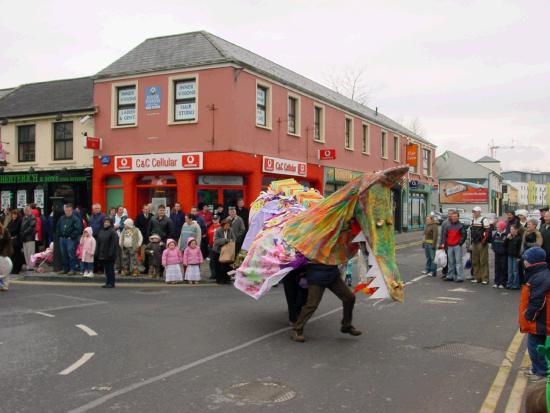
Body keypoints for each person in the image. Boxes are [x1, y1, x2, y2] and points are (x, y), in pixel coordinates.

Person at [291, 263, 361, 342]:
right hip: (316, 275)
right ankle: (296, 330)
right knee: (312, 305)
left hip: (332, 274)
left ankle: (346, 326)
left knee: (349, 298)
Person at [518, 247, 550, 382]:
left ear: (532, 262)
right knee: (538, 344)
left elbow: (538, 300)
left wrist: (529, 315)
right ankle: (537, 368)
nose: (524, 262)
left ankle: (541, 372)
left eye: (526, 259)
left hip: (540, 320)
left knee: (534, 345)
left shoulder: (539, 277)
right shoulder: (541, 274)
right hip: (542, 319)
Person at [440, 211, 467, 282]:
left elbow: (464, 235)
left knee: (458, 262)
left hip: (457, 246)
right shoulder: (448, 225)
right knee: (450, 261)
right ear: (451, 217)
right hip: (449, 246)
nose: (454, 218)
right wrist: (443, 243)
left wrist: (459, 243)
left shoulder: (461, 225)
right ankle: (450, 276)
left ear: (458, 217)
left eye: (455, 217)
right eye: (453, 217)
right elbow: (445, 235)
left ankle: (460, 277)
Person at [57, 204, 82, 275]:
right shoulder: (61, 218)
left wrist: (71, 236)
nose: (67, 212)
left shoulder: (75, 219)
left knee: (71, 254)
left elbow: (78, 229)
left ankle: (72, 269)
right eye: (66, 210)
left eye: (69, 210)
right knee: (63, 254)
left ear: (72, 211)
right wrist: (59, 235)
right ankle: (65, 269)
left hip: (71, 239)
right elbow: (58, 227)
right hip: (62, 239)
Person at [95, 217, 118, 288]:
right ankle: (108, 282)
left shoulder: (113, 232)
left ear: (110, 223)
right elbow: (98, 242)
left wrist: (111, 253)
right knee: (106, 269)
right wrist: (97, 252)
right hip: (103, 253)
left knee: (110, 269)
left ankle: (111, 283)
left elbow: (114, 244)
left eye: (108, 222)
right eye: (105, 222)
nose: (106, 223)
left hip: (110, 254)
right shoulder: (101, 231)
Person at [470, 206, 490, 284]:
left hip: (481, 243)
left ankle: (485, 278)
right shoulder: (472, 220)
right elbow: (471, 232)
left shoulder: (484, 220)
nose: (474, 213)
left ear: (479, 212)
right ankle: (477, 277)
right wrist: (471, 242)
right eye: (473, 212)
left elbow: (487, 231)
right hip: (474, 242)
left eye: (475, 212)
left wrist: (483, 241)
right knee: (475, 261)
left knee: (483, 261)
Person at [212, 218, 236, 284]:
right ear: (223, 225)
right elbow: (216, 241)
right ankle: (219, 279)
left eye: (229, 225)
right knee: (218, 266)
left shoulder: (230, 230)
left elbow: (234, 239)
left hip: (227, 251)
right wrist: (225, 240)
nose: (228, 227)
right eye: (227, 225)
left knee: (227, 265)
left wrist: (231, 241)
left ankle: (227, 279)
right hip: (218, 251)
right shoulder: (218, 230)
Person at [135, 204, 153, 274]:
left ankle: (148, 268)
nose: (146, 210)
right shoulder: (139, 216)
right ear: (143, 210)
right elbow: (136, 227)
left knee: (149, 253)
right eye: (145, 209)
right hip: (141, 238)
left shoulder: (152, 216)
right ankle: (143, 268)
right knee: (142, 254)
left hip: (149, 238)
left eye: (147, 209)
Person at [89, 203, 105, 273]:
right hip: (93, 237)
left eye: (98, 208)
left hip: (100, 237)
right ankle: (95, 268)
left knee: (100, 253)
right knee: (94, 253)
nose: (97, 209)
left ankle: (101, 269)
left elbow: (104, 226)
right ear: (93, 209)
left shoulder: (103, 216)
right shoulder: (91, 217)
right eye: (95, 208)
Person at [491, 220, 508, 289]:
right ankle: (496, 282)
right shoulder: (496, 234)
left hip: (504, 254)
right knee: (497, 268)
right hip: (497, 253)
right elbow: (493, 243)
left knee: (503, 268)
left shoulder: (506, 235)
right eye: (497, 227)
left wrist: (504, 251)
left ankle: (502, 283)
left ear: (502, 227)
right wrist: (494, 249)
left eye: (498, 227)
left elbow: (507, 245)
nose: (497, 228)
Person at [505, 224, 522, 290]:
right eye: (510, 229)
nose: (511, 231)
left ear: (516, 230)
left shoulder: (519, 238)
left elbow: (520, 248)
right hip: (509, 255)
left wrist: (519, 257)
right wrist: (507, 238)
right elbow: (504, 245)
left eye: (512, 229)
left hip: (515, 256)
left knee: (515, 271)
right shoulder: (509, 237)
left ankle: (515, 284)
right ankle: (509, 284)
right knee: (510, 271)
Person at [7, 209, 23, 274]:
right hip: (11, 241)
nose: (14, 216)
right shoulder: (11, 221)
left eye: (15, 214)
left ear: (17, 215)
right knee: (12, 256)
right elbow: (7, 228)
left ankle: (16, 270)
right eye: (13, 214)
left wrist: (10, 231)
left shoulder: (19, 221)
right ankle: (12, 269)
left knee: (16, 256)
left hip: (16, 241)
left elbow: (16, 230)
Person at [21, 205, 37, 271]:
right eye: (24, 210)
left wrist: (24, 232)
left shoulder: (32, 217)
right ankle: (28, 265)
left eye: (27, 210)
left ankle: (31, 266)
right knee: (26, 253)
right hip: (24, 238)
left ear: (29, 210)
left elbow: (31, 227)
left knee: (31, 253)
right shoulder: (24, 217)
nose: (25, 212)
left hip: (30, 238)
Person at [0, 222, 13, 291]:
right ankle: (1, 285)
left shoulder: (5, 231)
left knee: (5, 270)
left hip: (6, 251)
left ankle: (5, 286)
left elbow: (8, 243)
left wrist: (4, 253)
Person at [207, 215, 221, 279]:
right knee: (212, 261)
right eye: (214, 219)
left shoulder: (221, 227)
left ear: (219, 219)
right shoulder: (210, 227)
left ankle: (218, 274)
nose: (215, 220)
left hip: (218, 247)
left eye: (216, 219)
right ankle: (213, 274)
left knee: (218, 261)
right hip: (211, 246)